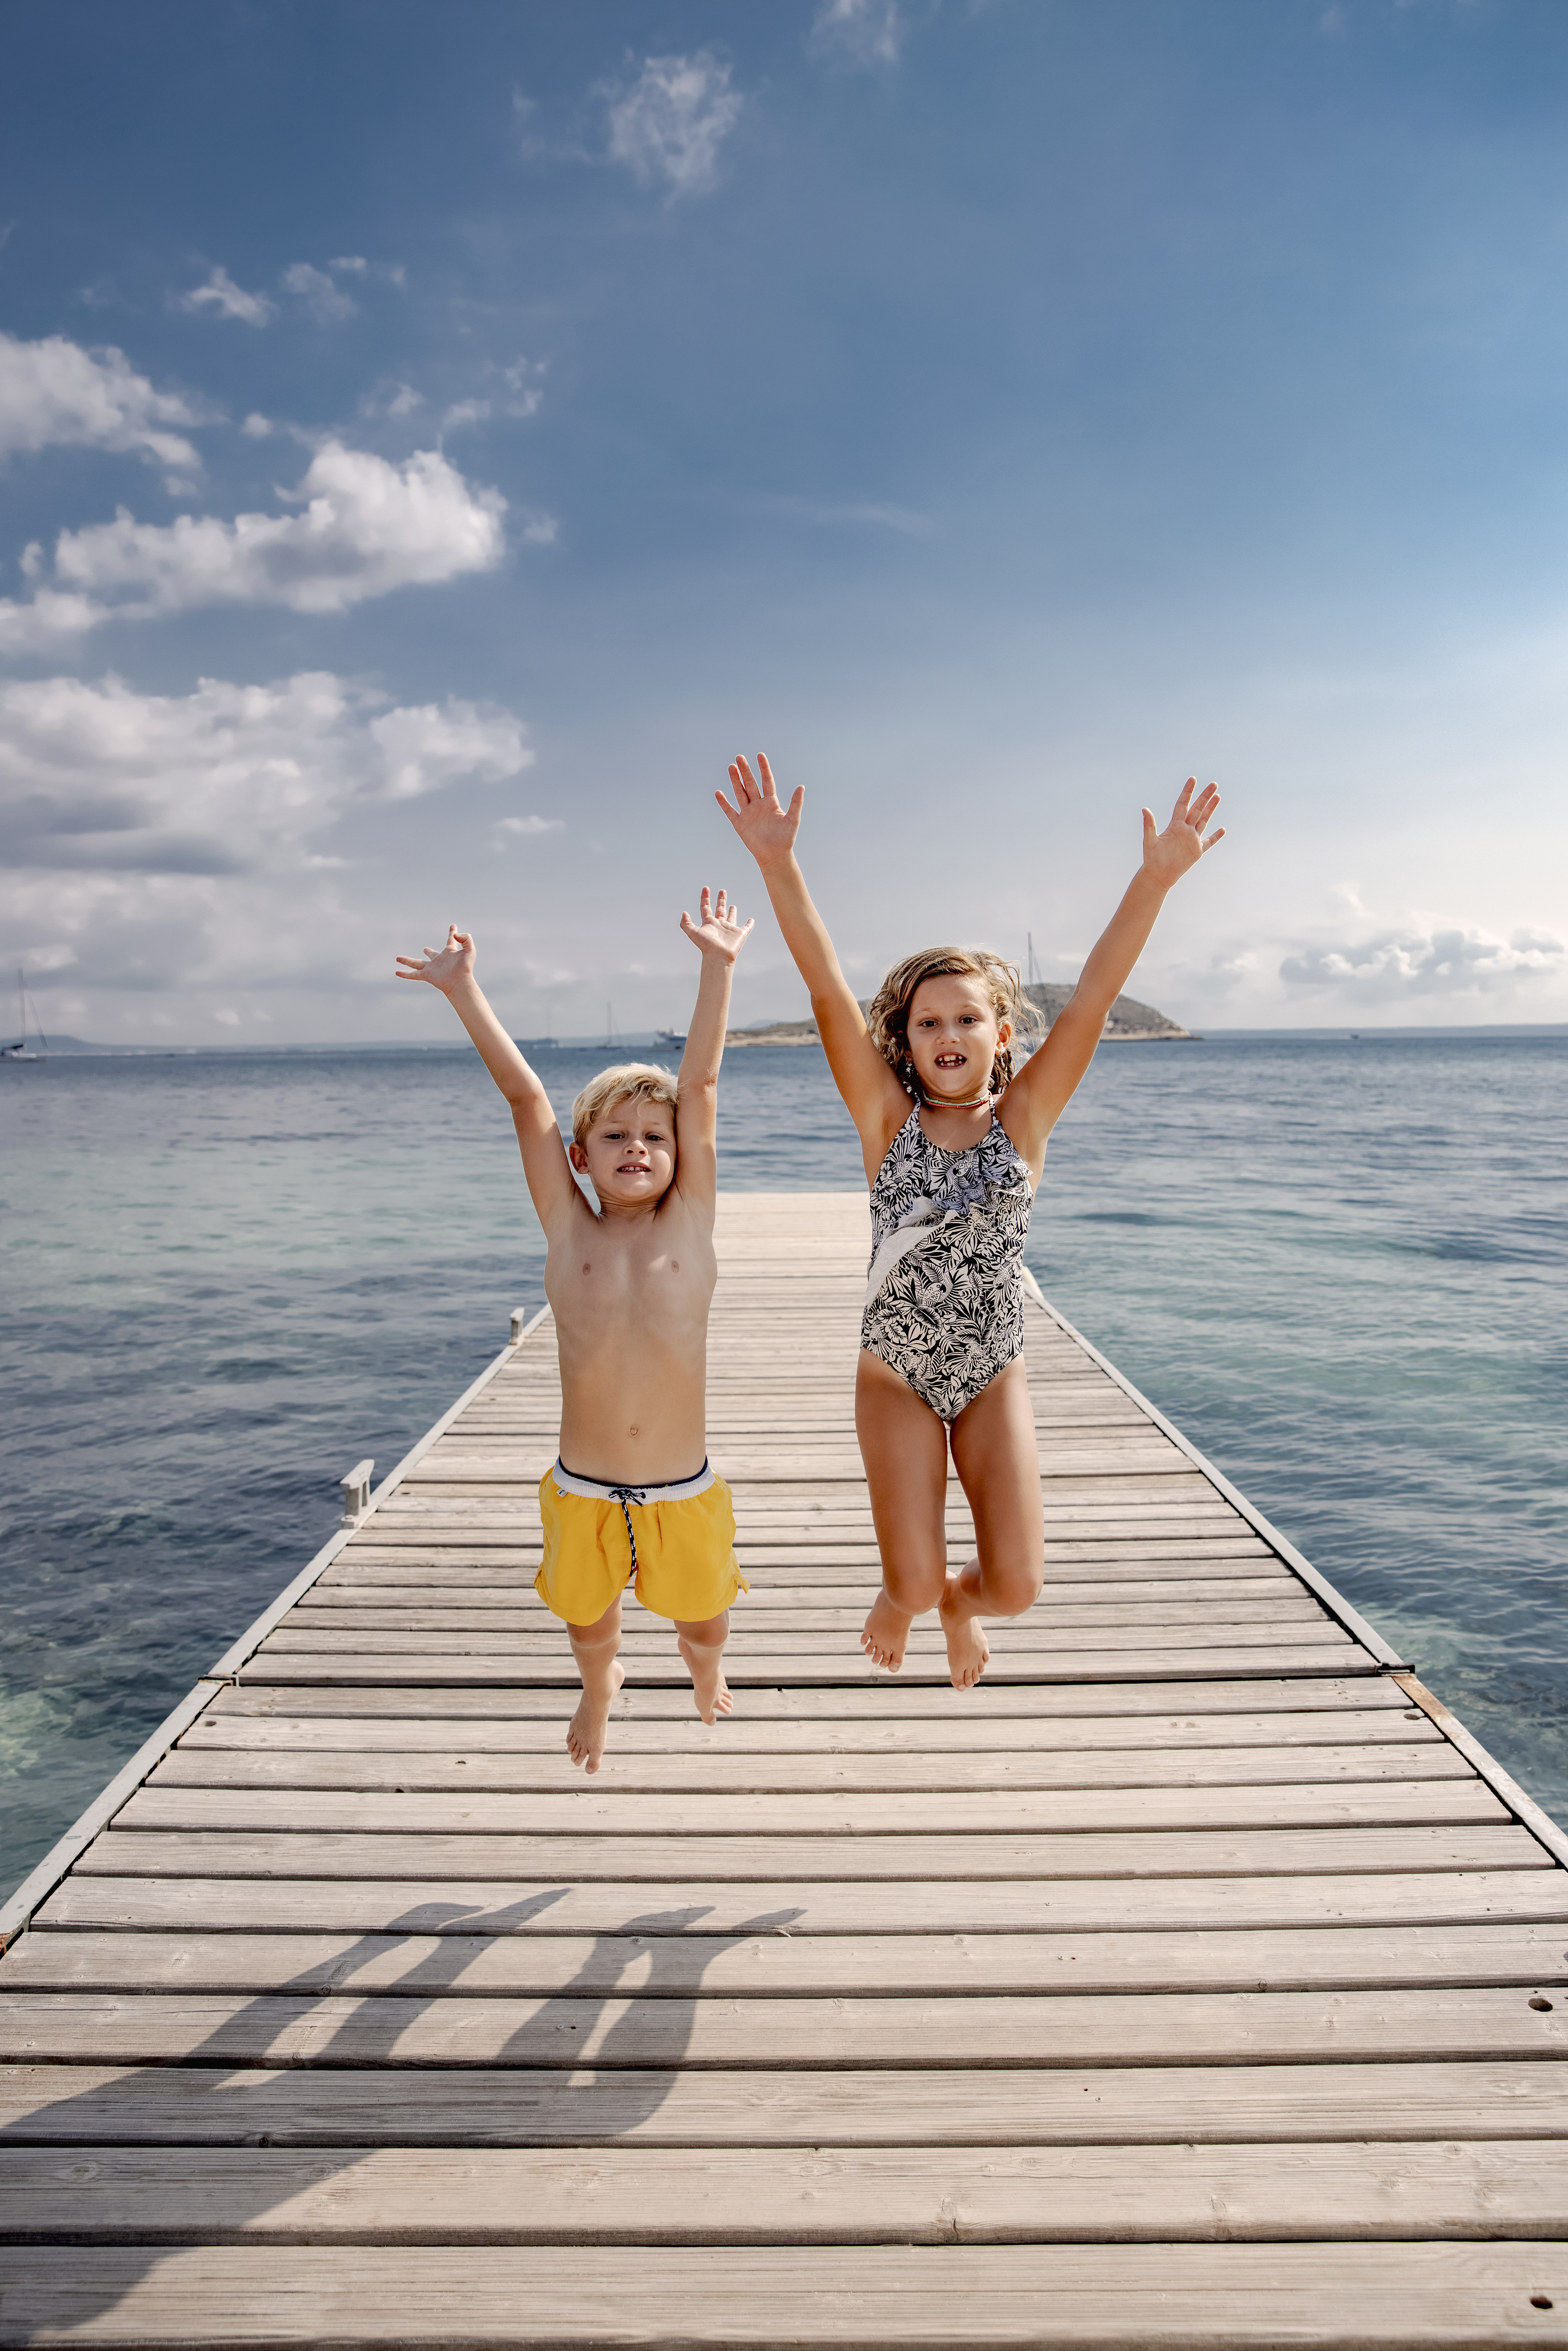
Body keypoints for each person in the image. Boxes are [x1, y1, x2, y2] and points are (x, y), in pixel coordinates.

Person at [716, 755, 1224, 1690]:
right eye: (925, 1024)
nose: (946, 1035)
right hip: (896, 1373)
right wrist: (780, 867)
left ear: (999, 1032)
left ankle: (962, 1605)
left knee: (1019, 1587)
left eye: (966, 1018)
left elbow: (1096, 1000)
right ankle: (918, 1597)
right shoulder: (888, 1123)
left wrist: (1153, 880)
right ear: (904, 1043)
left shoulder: (1024, 1121)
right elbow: (829, 994)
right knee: (903, 1583)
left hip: (994, 1368)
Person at [395, 886, 755, 1770]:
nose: (638, 1148)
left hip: (683, 1490)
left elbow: (701, 1083)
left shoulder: (691, 1225)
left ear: (681, 1154)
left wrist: (717, 966)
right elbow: (527, 1102)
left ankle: (701, 1668)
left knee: (705, 1618)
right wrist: (464, 992)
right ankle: (601, 1689)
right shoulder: (570, 1232)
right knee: (585, 1622)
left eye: (655, 1138)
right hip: (583, 1490)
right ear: (579, 1157)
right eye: (616, 1136)